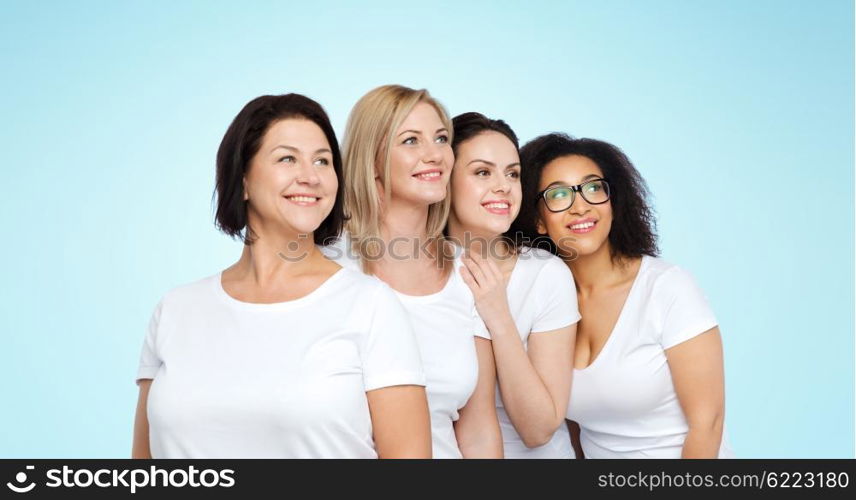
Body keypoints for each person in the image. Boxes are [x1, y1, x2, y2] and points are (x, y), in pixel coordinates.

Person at [131, 93, 431, 459]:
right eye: (287, 158)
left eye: (322, 161)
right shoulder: (175, 309)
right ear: (242, 179)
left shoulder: (370, 305)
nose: (310, 177)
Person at [512, 133, 734, 458]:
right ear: (538, 221)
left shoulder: (667, 288)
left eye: (593, 188)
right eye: (558, 194)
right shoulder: (547, 306)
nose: (581, 206)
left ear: (613, 202)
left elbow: (708, 424)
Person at [321, 85, 502, 458]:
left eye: (440, 138)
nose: (434, 154)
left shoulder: (467, 271)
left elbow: (479, 428)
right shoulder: (325, 266)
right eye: (410, 141)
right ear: (371, 160)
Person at [446, 112, 580, 458]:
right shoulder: (417, 270)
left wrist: (498, 314)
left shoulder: (545, 274)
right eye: (482, 172)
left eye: (513, 173)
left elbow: (539, 429)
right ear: (444, 180)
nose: (504, 186)